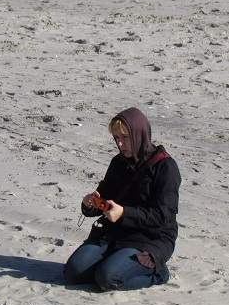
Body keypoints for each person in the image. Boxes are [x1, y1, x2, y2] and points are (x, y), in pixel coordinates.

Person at [64, 107, 181, 291]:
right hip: (114, 234)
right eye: (116, 138)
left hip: (148, 239)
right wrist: (91, 204)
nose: (120, 144)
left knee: (107, 278)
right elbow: (105, 198)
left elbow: (163, 216)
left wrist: (124, 213)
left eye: (125, 138)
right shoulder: (118, 162)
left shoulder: (165, 167)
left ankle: (158, 274)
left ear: (139, 134)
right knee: (73, 273)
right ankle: (115, 263)